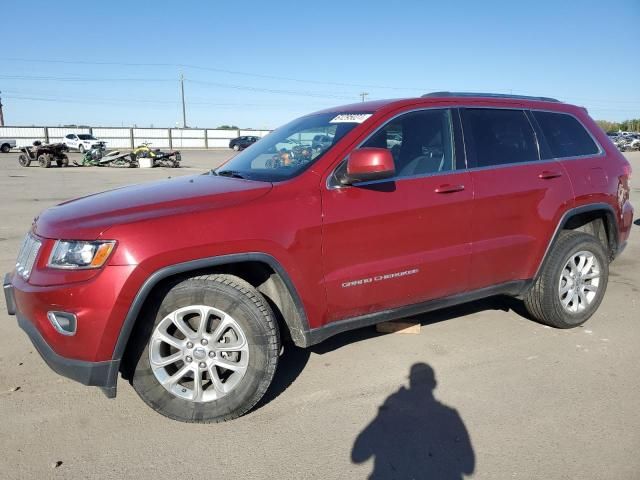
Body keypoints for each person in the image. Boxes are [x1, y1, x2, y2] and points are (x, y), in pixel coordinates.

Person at [352, 363, 474, 480]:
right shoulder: (450, 416)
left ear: (411, 383)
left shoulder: (393, 413)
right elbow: (468, 467)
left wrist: (383, 415)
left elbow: (358, 455)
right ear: (434, 384)